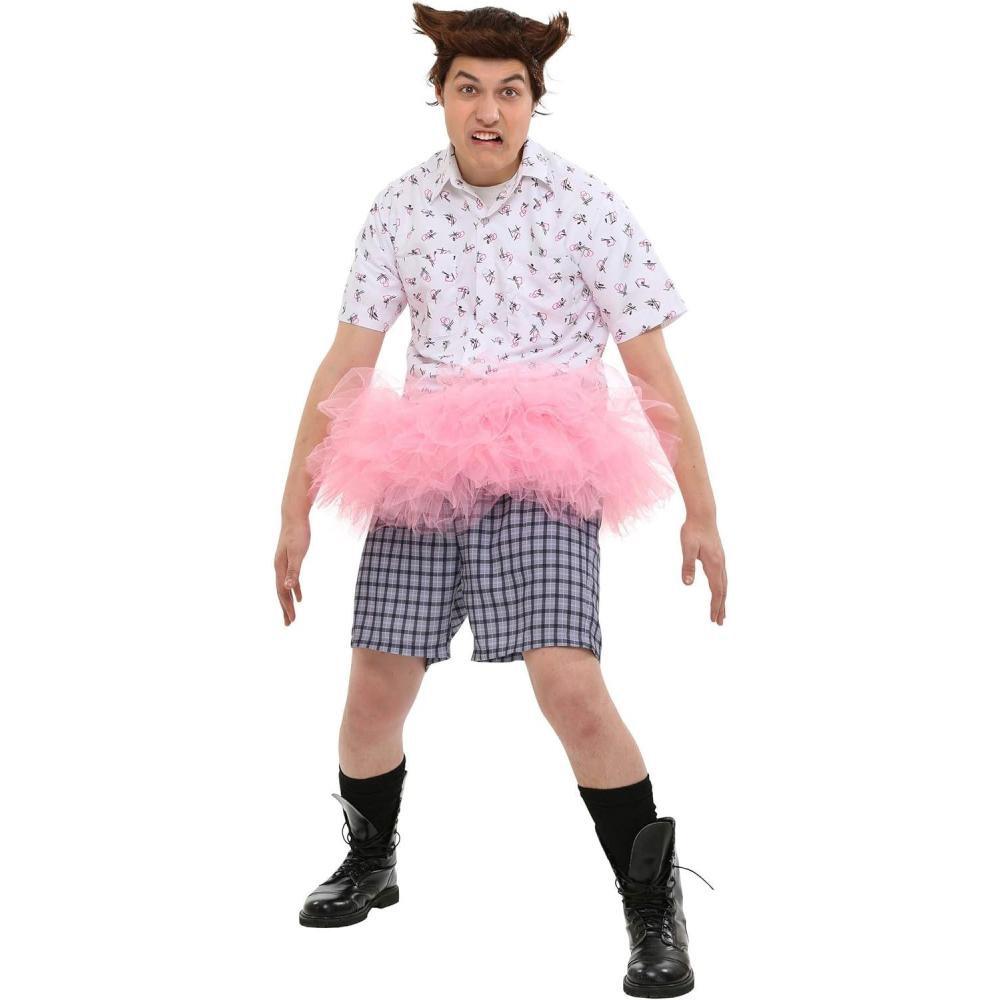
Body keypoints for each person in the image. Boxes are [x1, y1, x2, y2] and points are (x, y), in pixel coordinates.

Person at [274, 5, 726, 996]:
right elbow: (348, 361)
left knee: (567, 679)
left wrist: (702, 510)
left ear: (534, 101)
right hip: (425, 462)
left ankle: (652, 906)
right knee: (373, 691)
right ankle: (369, 856)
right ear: (439, 94)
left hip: (546, 459)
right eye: (469, 88)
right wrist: (292, 508)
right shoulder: (400, 205)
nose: (489, 110)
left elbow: (652, 370)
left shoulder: (585, 204)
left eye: (509, 91)